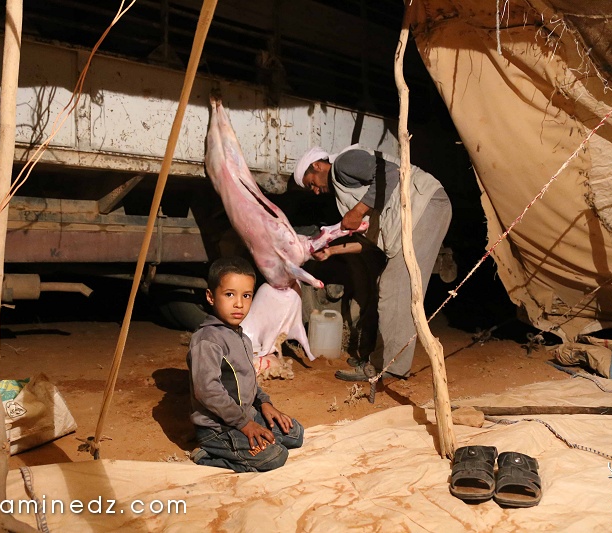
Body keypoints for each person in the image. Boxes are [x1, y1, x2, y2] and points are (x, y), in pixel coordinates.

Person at [293, 145, 452, 381]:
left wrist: (357, 212)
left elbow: (390, 172)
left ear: (317, 165)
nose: (315, 190)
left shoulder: (343, 163)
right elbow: (373, 241)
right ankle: (380, 357)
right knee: (385, 284)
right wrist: (331, 251)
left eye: (311, 182)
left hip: (426, 205)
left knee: (395, 288)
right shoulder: (343, 191)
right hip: (420, 212)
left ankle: (389, 367)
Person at [187, 256, 304, 472]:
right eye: (229, 294)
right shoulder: (207, 340)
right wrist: (245, 424)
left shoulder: (241, 337)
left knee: (295, 434)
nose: (239, 303)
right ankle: (208, 454)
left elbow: (247, 380)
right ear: (211, 297)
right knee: (274, 456)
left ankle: (245, 434)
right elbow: (206, 390)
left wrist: (265, 404)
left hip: (246, 415)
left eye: (247, 295)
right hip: (220, 427)